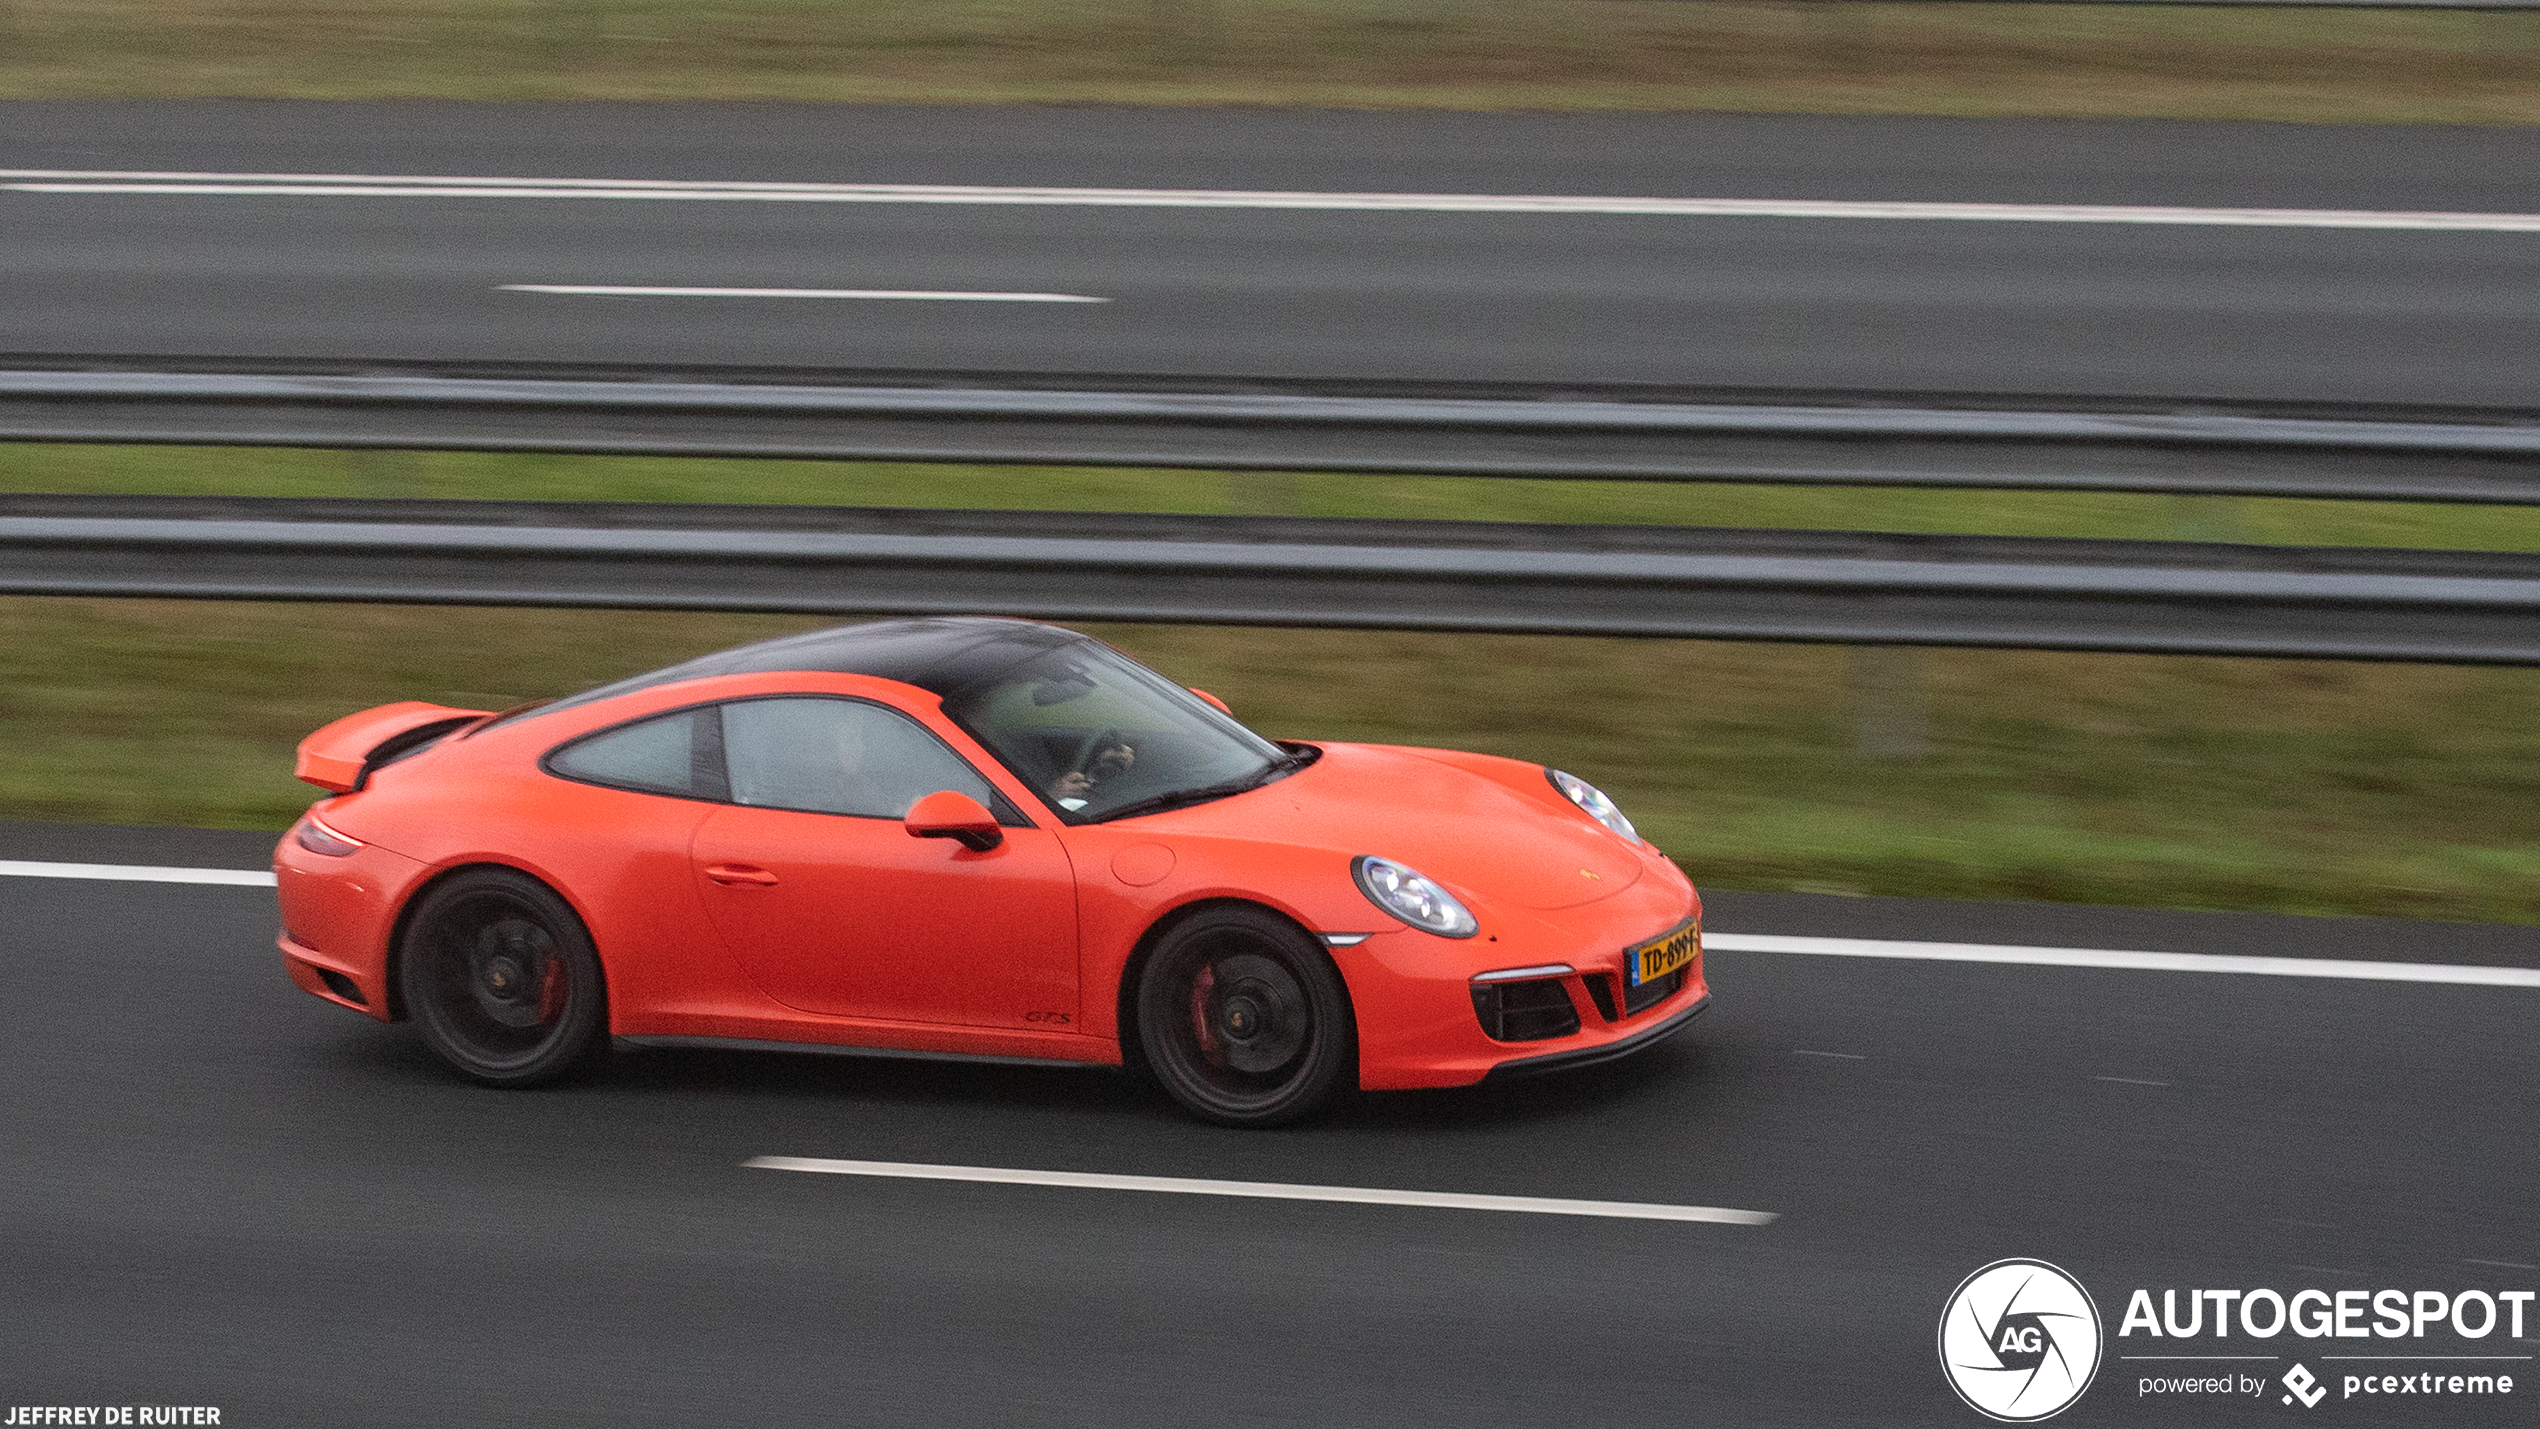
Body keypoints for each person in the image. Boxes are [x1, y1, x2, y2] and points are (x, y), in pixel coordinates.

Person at [1050, 731, 1134, 809]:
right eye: (1114, 748)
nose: (1121, 756)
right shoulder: (1073, 785)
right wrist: (1054, 796)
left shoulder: (1137, 799)